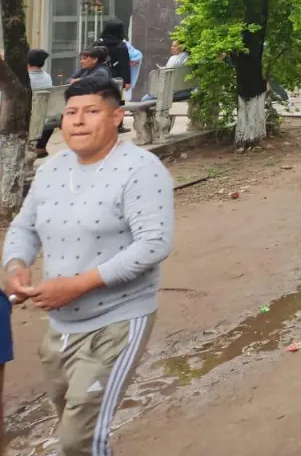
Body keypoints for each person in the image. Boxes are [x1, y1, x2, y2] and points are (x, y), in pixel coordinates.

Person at [4, 76, 174, 456]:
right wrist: (16, 264)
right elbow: (24, 226)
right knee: (74, 425)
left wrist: (78, 284)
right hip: (60, 328)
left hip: (116, 321)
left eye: (91, 111)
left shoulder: (141, 170)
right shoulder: (51, 170)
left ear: (116, 117)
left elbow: (154, 244)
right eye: (71, 112)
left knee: (79, 440)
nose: (78, 121)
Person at [96, 18, 132, 94]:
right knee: (117, 102)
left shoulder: (98, 43)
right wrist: (127, 81)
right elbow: (124, 65)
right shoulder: (121, 46)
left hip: (97, 77)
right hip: (116, 79)